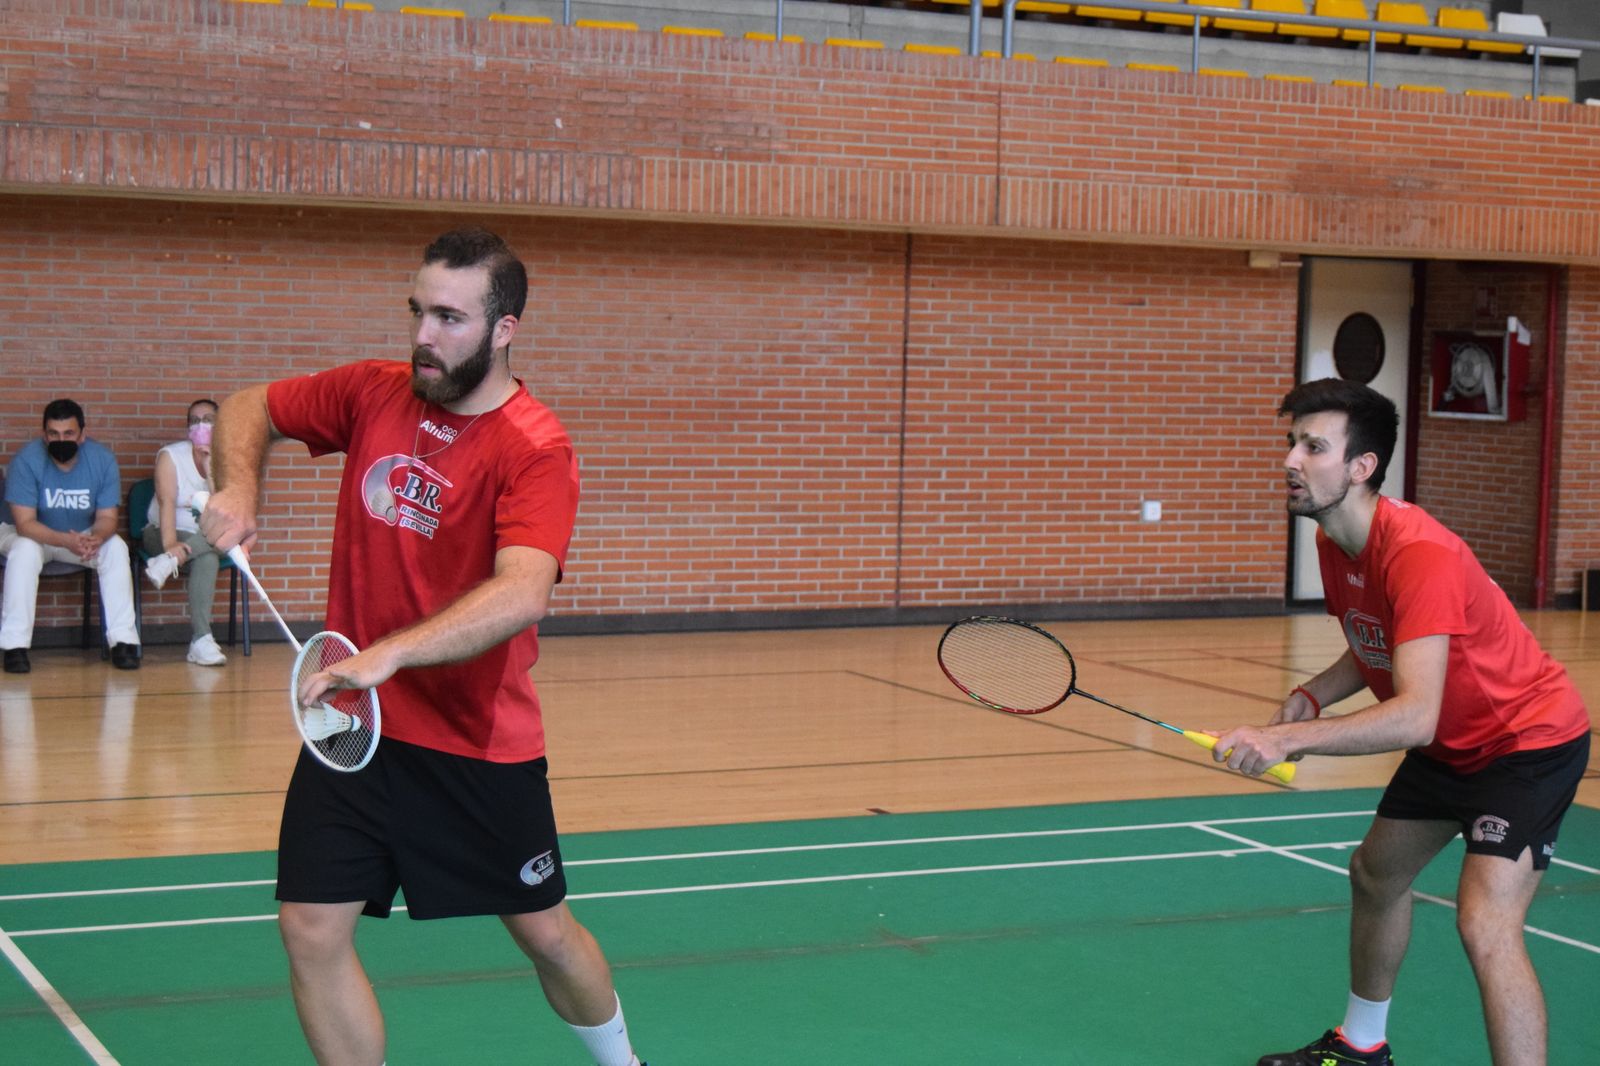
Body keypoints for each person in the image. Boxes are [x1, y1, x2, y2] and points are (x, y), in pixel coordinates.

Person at [199, 228, 644, 1066]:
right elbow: (250, 406)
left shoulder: (535, 447)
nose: (424, 336)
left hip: (474, 740)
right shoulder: (373, 393)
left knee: (546, 934)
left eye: (449, 318)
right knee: (310, 927)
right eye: (418, 312)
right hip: (353, 727)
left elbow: (523, 590)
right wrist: (240, 484)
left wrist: (392, 653)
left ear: (503, 329)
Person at [1211, 378, 1590, 1066]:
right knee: (1375, 874)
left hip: (1524, 742)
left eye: (1313, 447)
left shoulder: (1419, 552)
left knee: (1485, 924)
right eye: (1292, 443)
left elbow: (1414, 716)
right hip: (1451, 745)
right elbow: (1378, 639)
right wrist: (1312, 696)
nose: (1291, 460)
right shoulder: (1336, 542)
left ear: (1362, 466)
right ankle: (1362, 1045)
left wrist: (1283, 738)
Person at [1, 399, 141, 673]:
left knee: (115, 548)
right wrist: (67, 541)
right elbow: (25, 524)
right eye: (53, 434)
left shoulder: (102, 460)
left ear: (82, 434)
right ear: (44, 435)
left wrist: (96, 538)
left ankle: (123, 642)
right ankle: (14, 647)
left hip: (80, 535)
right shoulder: (26, 460)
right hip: (30, 535)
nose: (60, 440)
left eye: (68, 433)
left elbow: (107, 518)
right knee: (25, 551)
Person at [141, 398, 228, 666]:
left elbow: (223, 512)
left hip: (208, 536)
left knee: (215, 546)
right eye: (194, 421)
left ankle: (201, 640)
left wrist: (210, 469)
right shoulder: (170, 456)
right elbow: (166, 502)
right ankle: (201, 640)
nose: (201, 425)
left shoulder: (227, 460)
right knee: (210, 552)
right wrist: (170, 546)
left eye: (208, 420)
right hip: (163, 532)